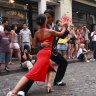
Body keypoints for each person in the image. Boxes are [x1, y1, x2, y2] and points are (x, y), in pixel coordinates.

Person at [7, 14, 67, 96]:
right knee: (31, 73)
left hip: (41, 54)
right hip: (45, 54)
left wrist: (41, 44)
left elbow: (33, 46)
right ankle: (14, 92)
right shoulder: (50, 31)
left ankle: (49, 85)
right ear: (45, 21)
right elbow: (61, 33)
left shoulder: (37, 33)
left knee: (50, 68)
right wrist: (64, 27)